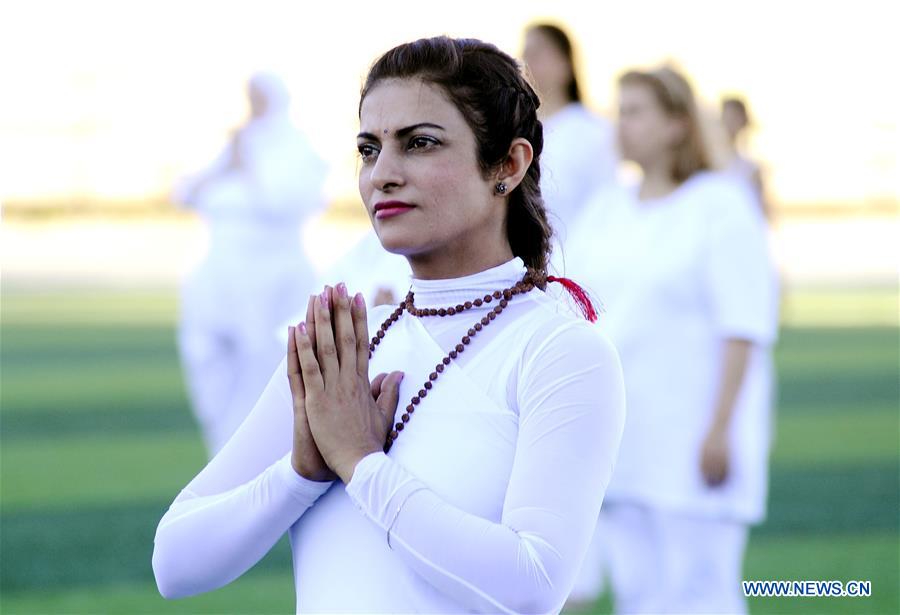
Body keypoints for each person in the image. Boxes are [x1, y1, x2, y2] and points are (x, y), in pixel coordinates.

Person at [153, 36, 626, 614]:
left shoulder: (559, 348)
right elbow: (175, 562)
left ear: (508, 164)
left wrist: (360, 465)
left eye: (420, 144)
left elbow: (532, 586)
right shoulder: (344, 343)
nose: (383, 174)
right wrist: (301, 473)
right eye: (369, 149)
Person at [566, 66, 779, 614]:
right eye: (620, 112)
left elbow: (745, 324)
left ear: (678, 125)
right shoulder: (608, 208)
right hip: (624, 442)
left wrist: (720, 429)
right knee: (639, 595)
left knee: (699, 595)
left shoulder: (721, 204)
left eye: (636, 112)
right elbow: (570, 309)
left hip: (693, 444)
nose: (622, 126)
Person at [172, 71, 328, 457]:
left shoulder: (294, 146)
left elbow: (285, 201)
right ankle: (223, 447)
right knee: (204, 351)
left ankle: (259, 454)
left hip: (272, 274)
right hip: (221, 272)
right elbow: (185, 192)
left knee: (263, 365)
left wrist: (248, 165)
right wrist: (232, 161)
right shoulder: (240, 141)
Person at [522, 23, 617, 274]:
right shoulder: (516, 130)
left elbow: (606, 204)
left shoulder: (594, 131)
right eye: (525, 54)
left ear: (565, 63)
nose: (529, 62)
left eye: (538, 53)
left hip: (576, 269)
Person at [721, 96, 770, 220]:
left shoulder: (751, 167)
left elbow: (760, 209)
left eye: (734, 118)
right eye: (726, 117)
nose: (729, 123)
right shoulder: (706, 161)